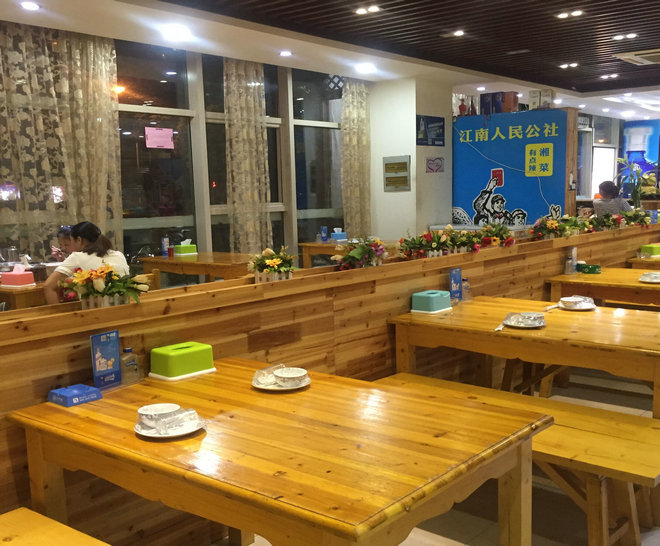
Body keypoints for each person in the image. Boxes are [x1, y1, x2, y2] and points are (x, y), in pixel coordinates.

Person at [43, 222, 129, 304]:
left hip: (96, 310)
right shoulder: (119, 254)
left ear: (79, 240)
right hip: (125, 306)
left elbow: (48, 286)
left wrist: (59, 313)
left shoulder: (77, 256)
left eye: (71, 241)